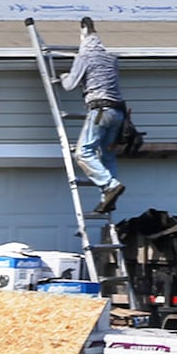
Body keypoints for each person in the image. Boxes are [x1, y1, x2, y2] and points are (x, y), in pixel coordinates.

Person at [59, 17, 128, 212]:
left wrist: (63, 76)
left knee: (83, 153)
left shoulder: (85, 56)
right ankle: (108, 198)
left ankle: (110, 186)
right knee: (107, 156)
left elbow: (69, 85)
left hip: (100, 111)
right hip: (117, 114)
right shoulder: (110, 59)